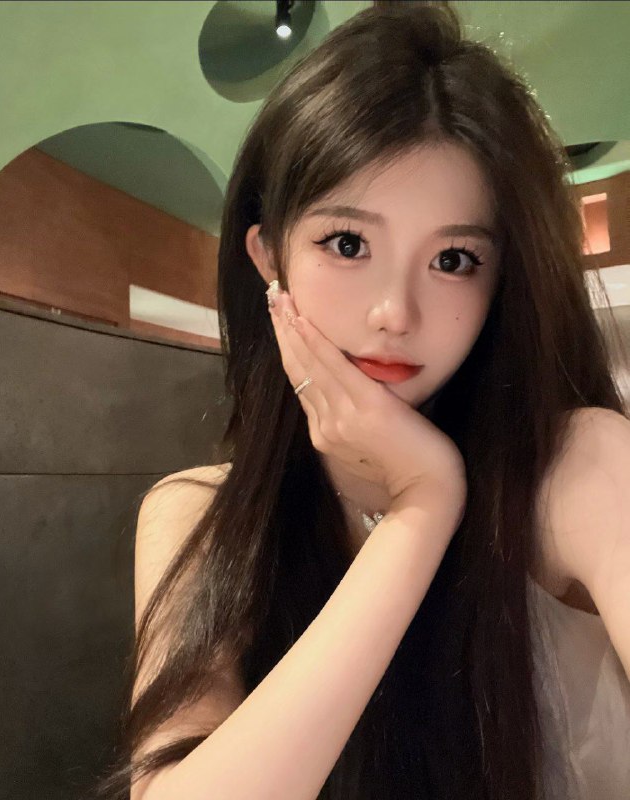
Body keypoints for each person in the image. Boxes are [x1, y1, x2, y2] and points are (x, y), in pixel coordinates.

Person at [93, 3, 630, 799]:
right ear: (268, 257)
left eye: (454, 259)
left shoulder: (580, 468)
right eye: (347, 243)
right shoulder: (198, 516)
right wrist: (423, 504)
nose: (395, 313)